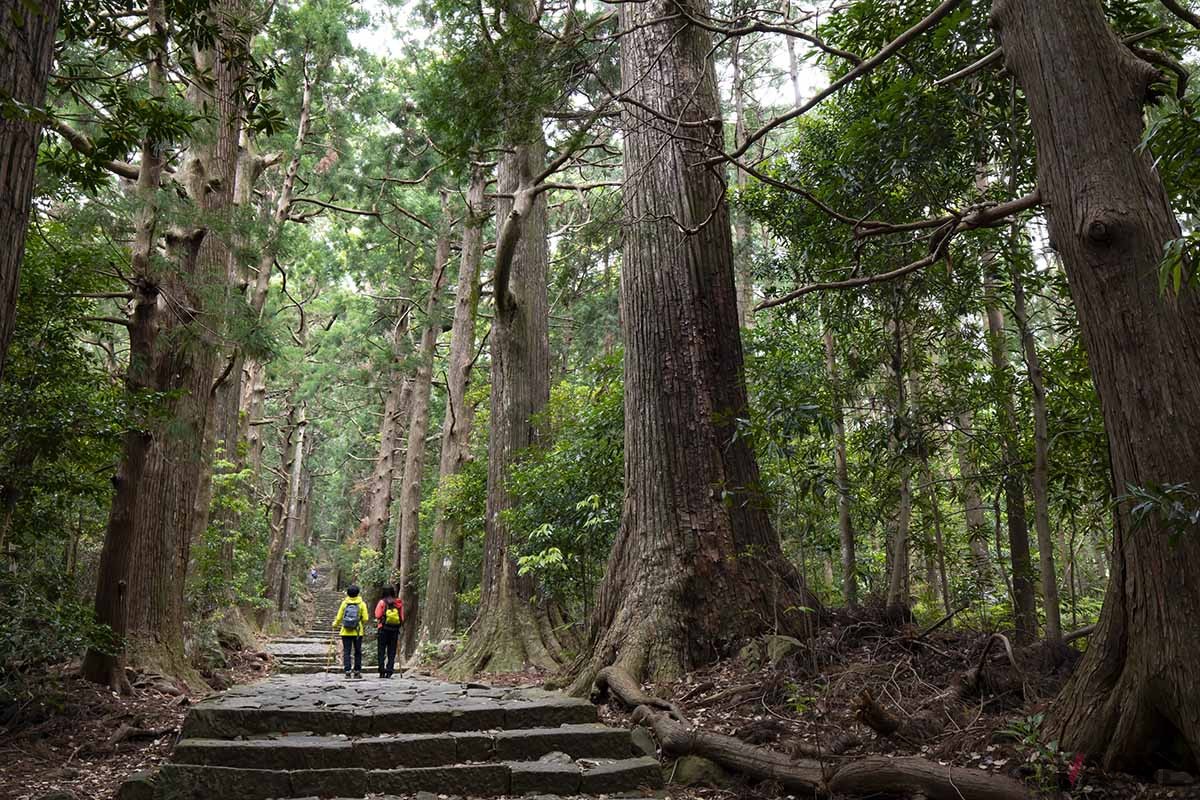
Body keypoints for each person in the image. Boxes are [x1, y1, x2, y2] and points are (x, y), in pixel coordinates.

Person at [332, 585, 369, 679]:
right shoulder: (362, 604)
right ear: (358, 593)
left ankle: (347, 671)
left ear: (348, 593)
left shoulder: (344, 603)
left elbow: (339, 617)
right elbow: (365, 618)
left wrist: (335, 625)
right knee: (357, 651)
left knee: (347, 651)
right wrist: (359, 622)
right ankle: (357, 671)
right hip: (357, 631)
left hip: (345, 631)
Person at [374, 585, 404, 678]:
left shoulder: (382, 602)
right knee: (392, 651)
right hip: (394, 630)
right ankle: (390, 670)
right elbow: (402, 617)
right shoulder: (398, 603)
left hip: (383, 629)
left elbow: (378, 615)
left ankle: (382, 670)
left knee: (381, 650)